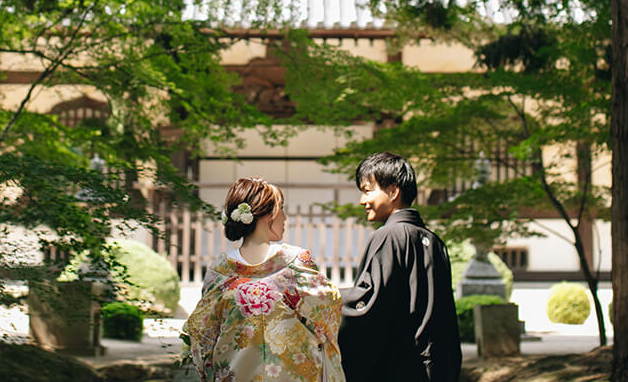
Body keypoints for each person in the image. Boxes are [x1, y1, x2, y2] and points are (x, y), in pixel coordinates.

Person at [182, 177, 346, 382]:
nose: (285, 218)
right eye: (282, 209)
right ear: (267, 215)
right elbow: (327, 310)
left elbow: (204, 335)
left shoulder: (220, 271)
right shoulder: (295, 263)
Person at [338, 152, 461, 382]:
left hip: (401, 368)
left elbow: (368, 305)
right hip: (437, 367)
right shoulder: (433, 241)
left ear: (393, 191)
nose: (362, 201)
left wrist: (323, 300)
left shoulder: (388, 236)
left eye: (367, 190)